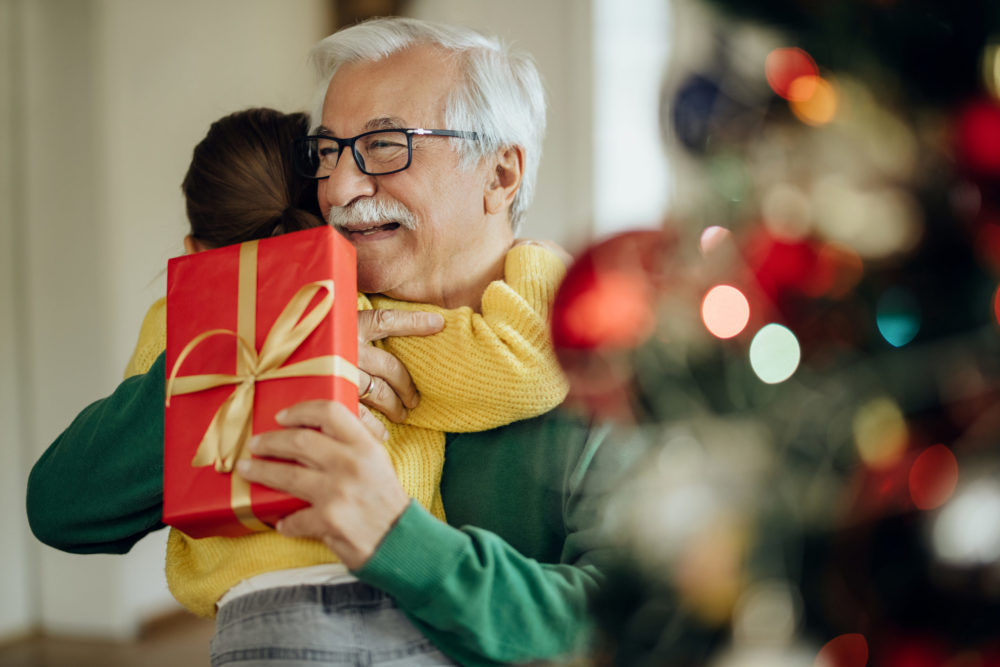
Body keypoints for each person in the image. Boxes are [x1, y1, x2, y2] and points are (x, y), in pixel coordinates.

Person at [28, 17, 624, 667]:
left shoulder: (609, 368)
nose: (339, 188)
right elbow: (63, 508)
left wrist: (401, 540)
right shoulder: (285, 319)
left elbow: (626, 622)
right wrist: (265, 363)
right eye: (327, 152)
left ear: (501, 174)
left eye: (387, 145)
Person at [124, 104, 570, 623]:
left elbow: (136, 442)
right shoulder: (353, 313)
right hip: (381, 590)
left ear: (194, 249)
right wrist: (539, 262)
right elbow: (519, 368)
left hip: (245, 613)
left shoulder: (171, 320)